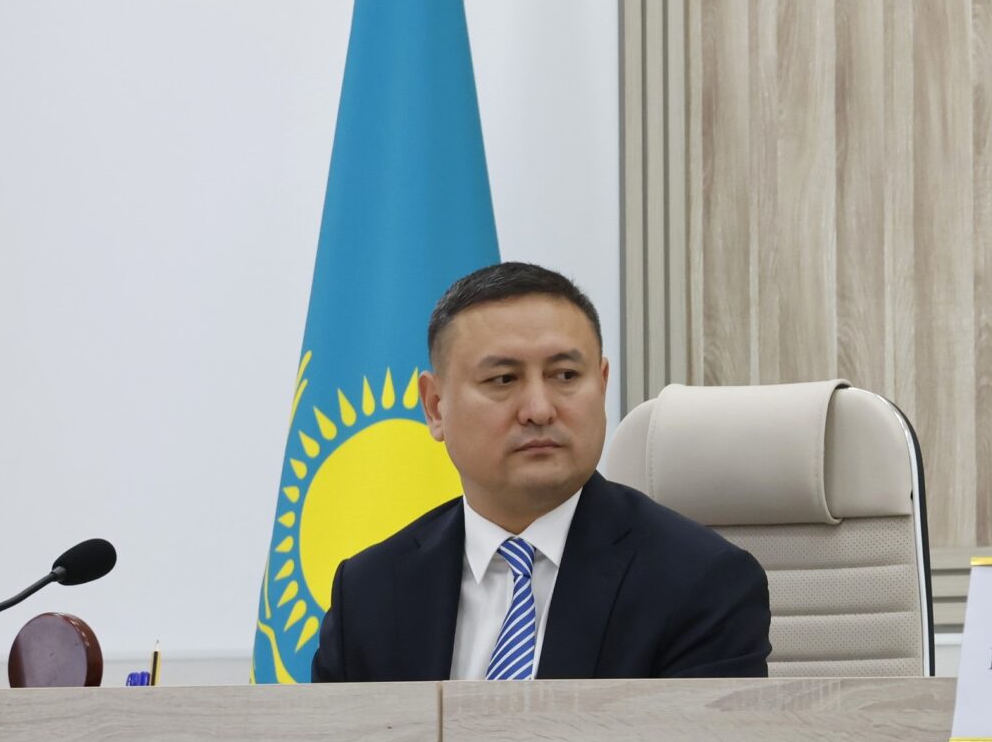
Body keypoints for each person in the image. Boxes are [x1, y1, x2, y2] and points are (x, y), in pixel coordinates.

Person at [310, 262, 771, 682]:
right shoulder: (369, 594)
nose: (539, 409)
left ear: (602, 385)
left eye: (565, 376)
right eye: (503, 380)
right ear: (435, 406)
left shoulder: (699, 582)